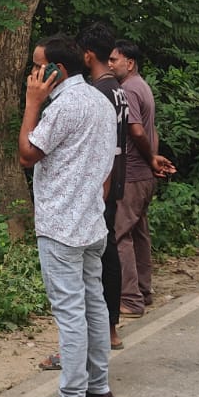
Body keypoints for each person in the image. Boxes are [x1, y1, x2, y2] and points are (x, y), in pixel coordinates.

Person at [19, 35, 119, 397]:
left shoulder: (63, 107)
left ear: (56, 70)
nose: (32, 74)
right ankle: (99, 384)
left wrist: (32, 103)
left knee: (70, 312)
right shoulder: (99, 100)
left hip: (61, 226)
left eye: (37, 66)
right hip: (92, 222)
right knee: (94, 303)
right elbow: (106, 166)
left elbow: (28, 154)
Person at [109, 39, 175, 315]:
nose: (110, 64)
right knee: (138, 233)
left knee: (119, 234)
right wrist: (154, 160)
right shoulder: (143, 86)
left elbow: (137, 131)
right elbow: (152, 130)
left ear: (130, 63)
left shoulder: (127, 90)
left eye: (114, 60)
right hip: (144, 173)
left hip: (133, 173)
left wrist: (149, 159)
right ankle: (143, 291)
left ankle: (130, 299)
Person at [78, 23, 128, 349]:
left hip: (103, 182)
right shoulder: (118, 88)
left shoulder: (99, 92)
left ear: (87, 55)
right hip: (117, 176)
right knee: (107, 251)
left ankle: (107, 328)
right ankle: (109, 327)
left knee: (101, 255)